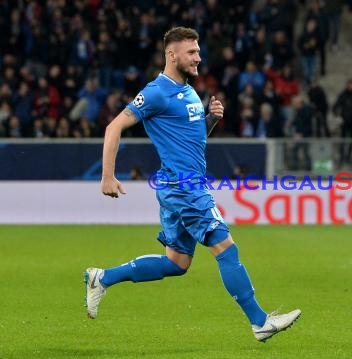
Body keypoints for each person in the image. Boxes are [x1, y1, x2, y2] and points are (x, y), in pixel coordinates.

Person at [84, 27, 301, 342]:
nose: (199, 57)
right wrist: (107, 175)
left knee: (177, 263)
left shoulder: (187, 91)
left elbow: (191, 140)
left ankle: (102, 278)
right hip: (184, 188)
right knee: (227, 248)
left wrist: (210, 121)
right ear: (172, 55)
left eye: (198, 51)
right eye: (191, 52)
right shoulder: (156, 91)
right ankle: (260, 322)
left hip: (182, 186)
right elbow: (113, 126)